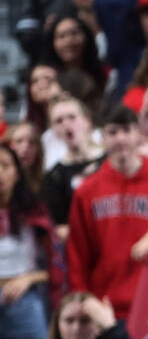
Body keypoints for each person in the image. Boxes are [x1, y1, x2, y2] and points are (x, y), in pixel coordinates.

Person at [67, 105, 148, 320]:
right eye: (112, 132)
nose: (120, 139)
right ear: (101, 137)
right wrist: (82, 297)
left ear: (139, 134)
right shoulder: (87, 190)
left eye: (127, 131)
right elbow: (78, 252)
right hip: (106, 305)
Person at [0, 144, 54, 339]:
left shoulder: (35, 213)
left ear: (17, 173)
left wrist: (28, 279)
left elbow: (56, 267)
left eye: (5, 166)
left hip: (25, 300)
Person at [42, 96, 104, 238]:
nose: (66, 124)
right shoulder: (54, 176)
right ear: (54, 130)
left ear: (87, 121)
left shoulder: (110, 161)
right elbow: (60, 226)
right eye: (59, 121)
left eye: (72, 117)